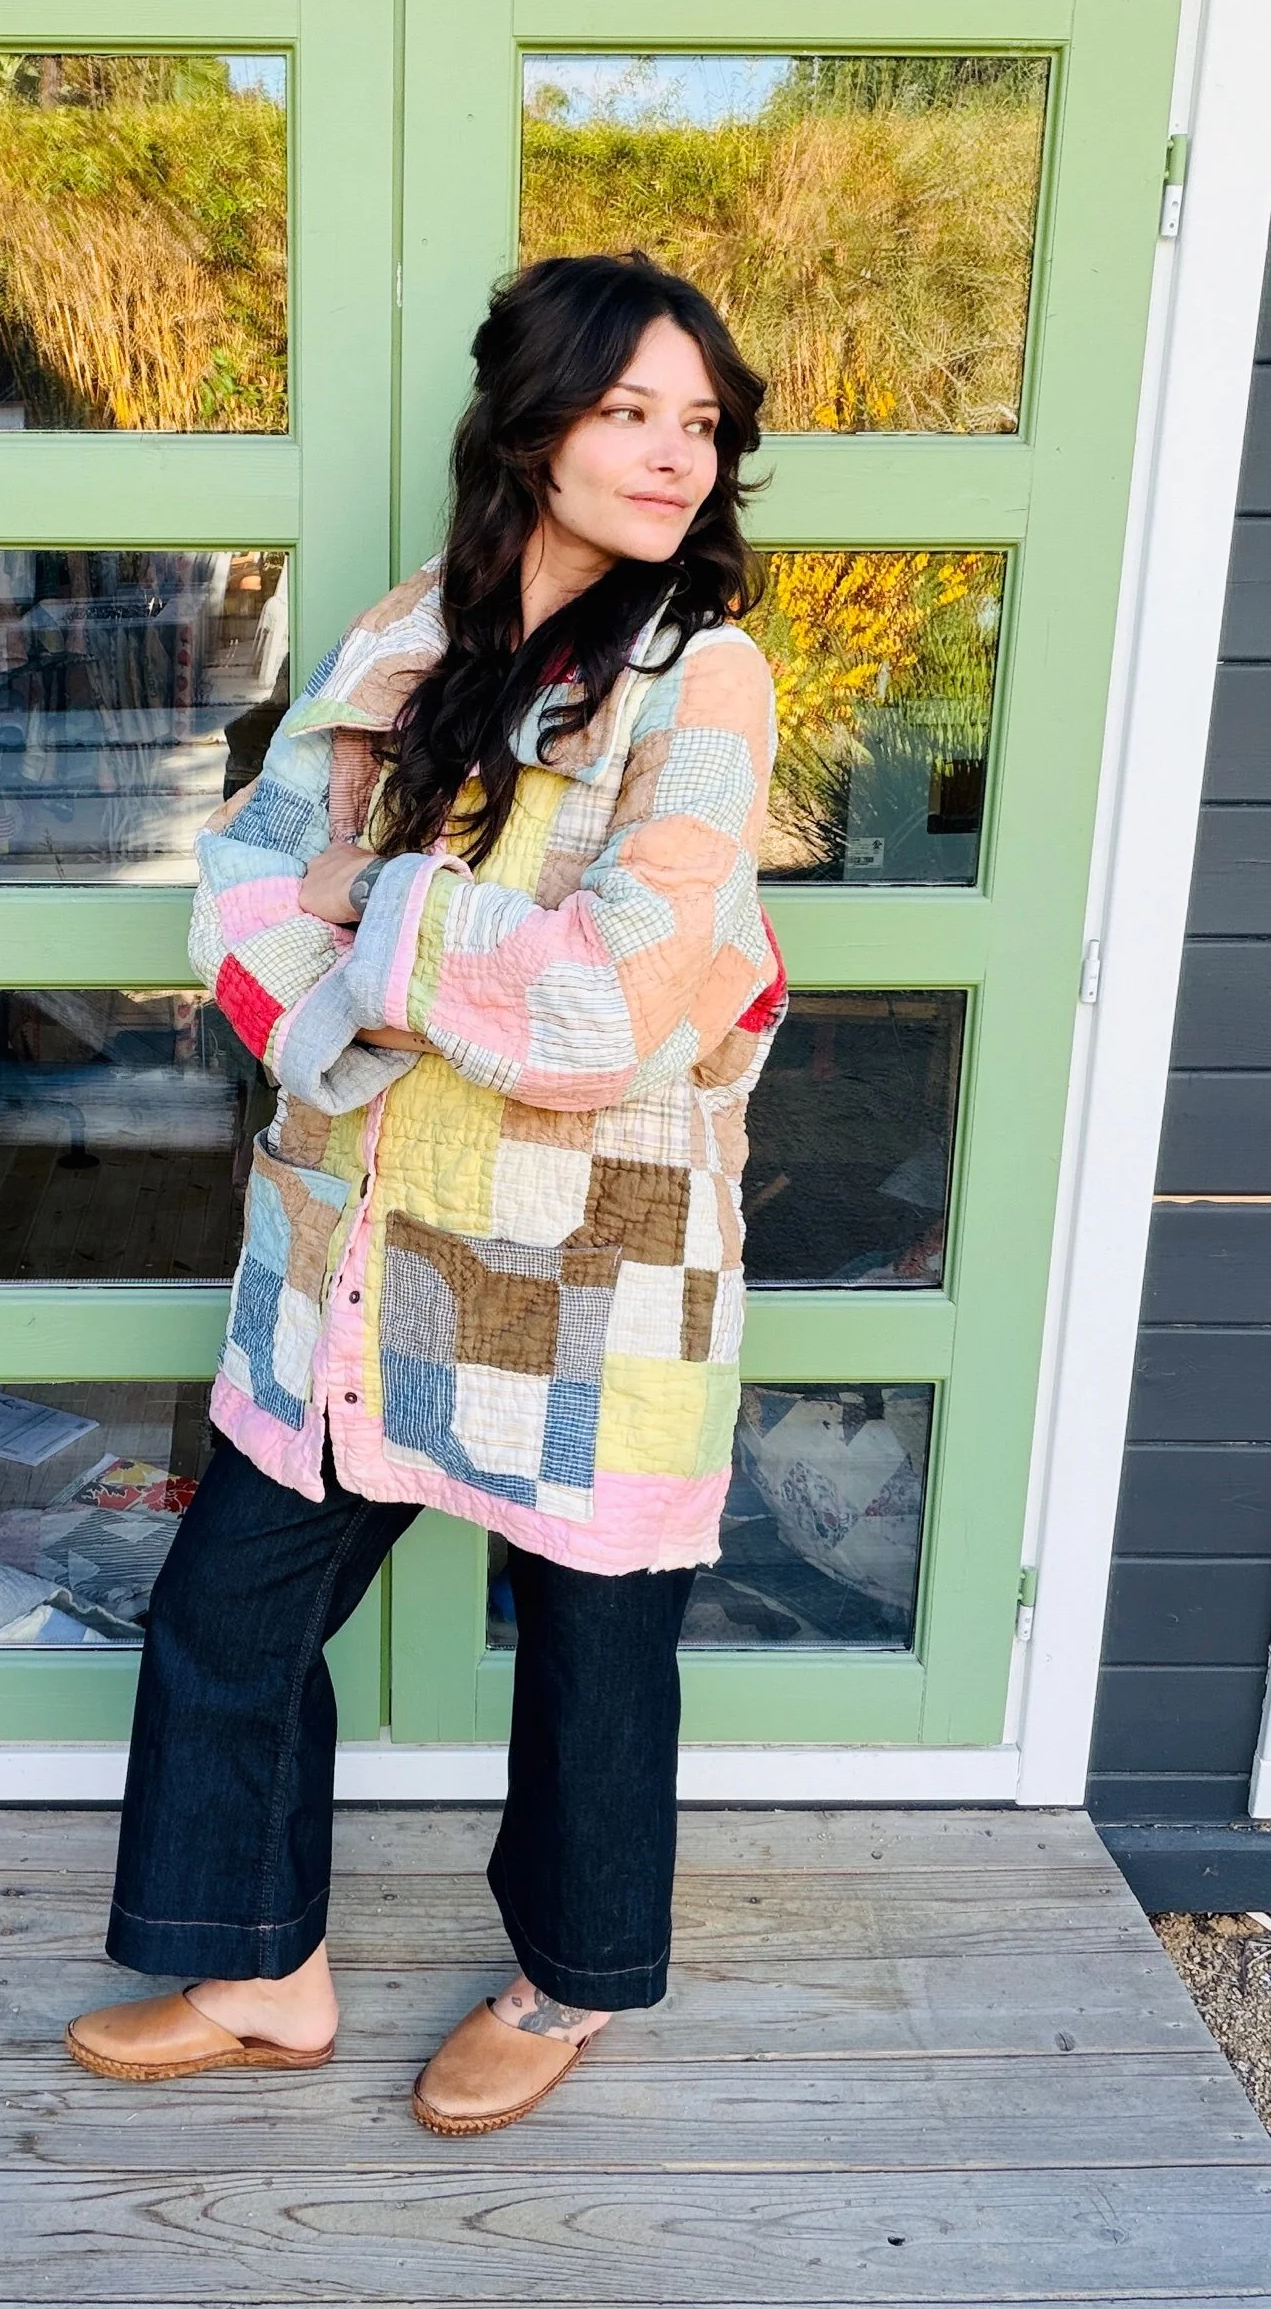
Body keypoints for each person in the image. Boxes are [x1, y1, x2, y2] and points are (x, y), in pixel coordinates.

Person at [66, 250, 788, 2134]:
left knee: (593, 1649)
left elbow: (612, 1001)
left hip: (592, 1256)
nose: (673, 454)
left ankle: (567, 1986)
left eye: (698, 422)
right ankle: (262, 1969)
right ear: (533, 426)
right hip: (356, 1237)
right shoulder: (410, 631)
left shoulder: (701, 678)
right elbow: (242, 879)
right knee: (230, 1612)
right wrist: (378, 976)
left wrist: (371, 908)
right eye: (627, 411)